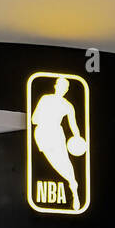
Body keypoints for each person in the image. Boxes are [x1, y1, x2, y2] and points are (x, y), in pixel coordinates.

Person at [30, 75, 83, 205]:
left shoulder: (68, 106)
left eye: (65, 87)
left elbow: (74, 126)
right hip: (44, 133)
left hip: (56, 134)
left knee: (64, 161)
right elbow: (34, 119)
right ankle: (72, 184)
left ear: (67, 90)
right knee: (56, 162)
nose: (62, 88)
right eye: (60, 85)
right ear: (56, 86)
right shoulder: (45, 99)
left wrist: (78, 138)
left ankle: (74, 188)